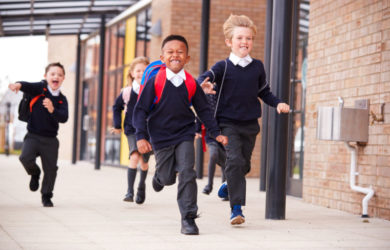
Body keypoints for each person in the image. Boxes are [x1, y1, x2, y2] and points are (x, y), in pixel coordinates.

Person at [198, 14, 290, 225]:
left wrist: (278, 103)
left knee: (244, 165)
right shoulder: (223, 67)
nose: (244, 42)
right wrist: (203, 84)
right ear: (229, 42)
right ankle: (236, 209)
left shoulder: (257, 66)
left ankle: (229, 185)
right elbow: (204, 77)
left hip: (250, 124)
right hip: (227, 124)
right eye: (239, 38)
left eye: (248, 38)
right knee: (236, 161)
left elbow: (264, 92)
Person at [133, 34, 228, 235]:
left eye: (180, 52)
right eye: (170, 52)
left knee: (187, 171)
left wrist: (216, 132)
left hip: (185, 133)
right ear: (162, 57)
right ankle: (159, 177)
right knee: (167, 178)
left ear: (187, 58)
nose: (175, 55)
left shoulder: (191, 83)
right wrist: (141, 136)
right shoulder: (155, 80)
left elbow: (203, 110)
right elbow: (140, 110)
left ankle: (188, 218)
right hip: (160, 136)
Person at [8, 62, 69, 207]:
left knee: (51, 169)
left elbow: (64, 117)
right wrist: (18, 85)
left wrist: (52, 109)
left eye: (59, 75)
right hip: (33, 135)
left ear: (63, 78)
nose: (56, 77)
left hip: (51, 139)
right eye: (52, 74)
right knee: (24, 158)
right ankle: (35, 173)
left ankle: (46, 196)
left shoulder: (62, 99)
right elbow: (27, 85)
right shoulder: (39, 89)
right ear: (45, 76)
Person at [111, 57, 150, 204]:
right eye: (138, 70)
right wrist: (117, 125)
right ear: (132, 73)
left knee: (144, 162)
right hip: (132, 129)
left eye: (144, 70)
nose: (141, 73)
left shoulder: (152, 90)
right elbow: (116, 107)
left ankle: (141, 186)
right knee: (134, 155)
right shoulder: (126, 92)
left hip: (148, 131)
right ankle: (129, 191)